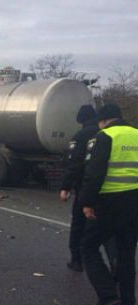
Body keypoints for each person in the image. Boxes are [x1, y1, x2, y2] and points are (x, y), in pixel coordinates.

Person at [79, 103, 138, 305]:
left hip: (109, 201)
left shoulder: (104, 137)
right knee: (126, 252)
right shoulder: (136, 134)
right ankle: (128, 304)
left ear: (103, 120)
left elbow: (94, 174)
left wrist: (87, 202)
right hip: (133, 200)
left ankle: (107, 293)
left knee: (88, 246)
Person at [59, 105, 116, 272]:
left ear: (81, 120)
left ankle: (76, 260)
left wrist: (66, 187)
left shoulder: (81, 135)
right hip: (112, 190)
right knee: (108, 229)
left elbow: (75, 164)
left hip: (86, 188)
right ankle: (115, 260)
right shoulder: (112, 135)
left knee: (79, 225)